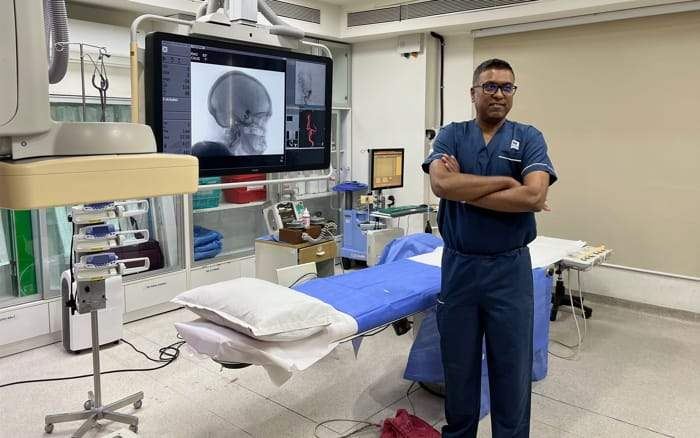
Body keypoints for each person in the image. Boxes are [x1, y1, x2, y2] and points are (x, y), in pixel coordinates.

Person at [422, 59, 557, 438]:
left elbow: (534, 196)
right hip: (460, 268)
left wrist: (464, 189)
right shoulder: (451, 135)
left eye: (506, 87)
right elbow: (441, 186)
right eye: (490, 86)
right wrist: (506, 182)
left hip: (508, 270)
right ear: (473, 92)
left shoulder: (528, 137)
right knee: (459, 365)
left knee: (511, 368)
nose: (498, 93)